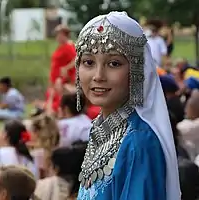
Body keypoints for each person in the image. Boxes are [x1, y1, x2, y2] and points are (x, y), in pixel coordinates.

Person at [75, 11, 180, 200]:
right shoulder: (102, 127)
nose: (98, 75)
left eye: (114, 63)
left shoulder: (138, 142)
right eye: (88, 62)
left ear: (137, 70)